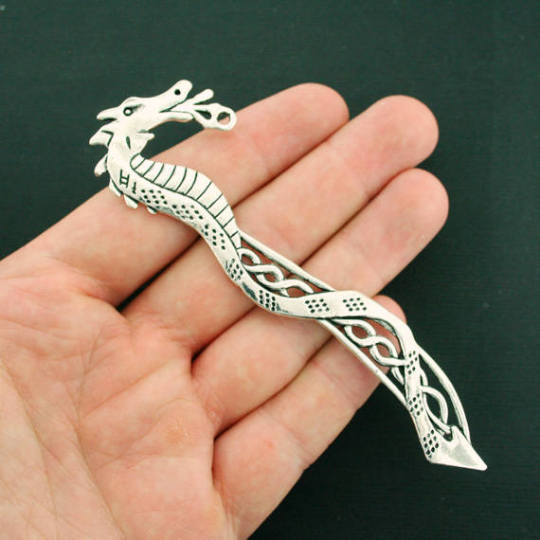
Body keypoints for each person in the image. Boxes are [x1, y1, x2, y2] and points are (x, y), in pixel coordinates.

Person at [0, 84, 446, 538]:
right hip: (246, 267)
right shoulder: (135, 175)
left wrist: (189, 111)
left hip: (242, 253)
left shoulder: (152, 175)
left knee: (344, 309)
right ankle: (431, 419)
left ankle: (431, 417)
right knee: (330, 305)